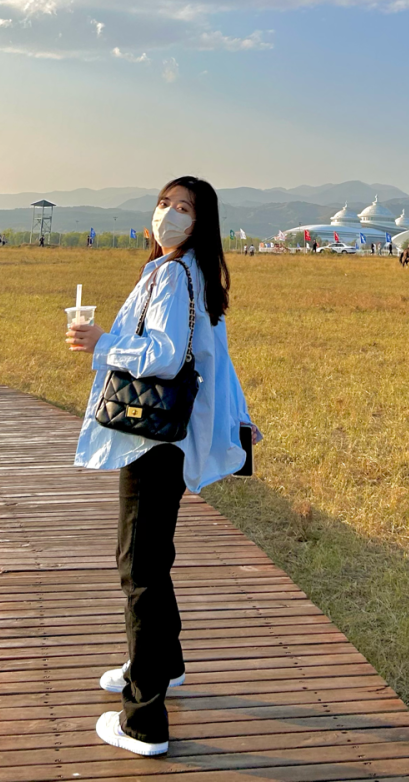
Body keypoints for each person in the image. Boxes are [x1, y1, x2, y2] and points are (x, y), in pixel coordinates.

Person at [67, 176, 259, 759]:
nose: (169, 215)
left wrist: (102, 343)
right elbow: (212, 359)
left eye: (184, 209)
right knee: (153, 557)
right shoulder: (192, 272)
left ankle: (143, 721)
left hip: (153, 438)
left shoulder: (174, 274)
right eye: (164, 204)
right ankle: (163, 664)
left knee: (139, 568)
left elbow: (166, 356)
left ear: (200, 223)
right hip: (173, 438)